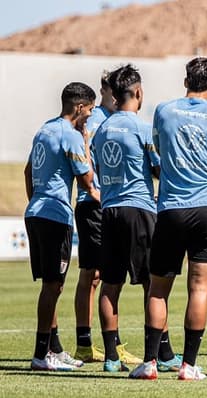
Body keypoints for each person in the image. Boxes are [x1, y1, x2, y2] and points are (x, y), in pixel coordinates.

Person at [129, 57, 207, 381]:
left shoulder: (163, 110)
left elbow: (157, 148)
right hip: (206, 209)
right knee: (198, 289)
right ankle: (188, 366)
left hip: (170, 209)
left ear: (186, 79)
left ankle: (150, 364)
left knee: (158, 290)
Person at [94, 64, 178, 372]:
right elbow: (158, 168)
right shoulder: (143, 128)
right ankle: (155, 356)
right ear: (138, 92)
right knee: (152, 286)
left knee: (110, 285)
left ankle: (111, 357)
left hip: (109, 211)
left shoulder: (101, 129)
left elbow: (100, 171)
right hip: (140, 209)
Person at [25, 82, 100, 371]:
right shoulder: (70, 135)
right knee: (53, 286)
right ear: (79, 108)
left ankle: (54, 349)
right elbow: (86, 178)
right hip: (55, 217)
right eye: (90, 111)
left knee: (51, 285)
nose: (90, 117)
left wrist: (39, 201)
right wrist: (84, 141)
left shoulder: (44, 129)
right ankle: (41, 355)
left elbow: (27, 171)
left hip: (35, 212)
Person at [73, 71, 115, 363]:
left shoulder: (118, 119)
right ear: (104, 90)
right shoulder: (94, 119)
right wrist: (94, 190)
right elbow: (84, 157)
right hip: (93, 202)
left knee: (106, 275)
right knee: (91, 274)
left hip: (112, 204)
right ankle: (84, 342)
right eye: (113, 90)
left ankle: (108, 342)